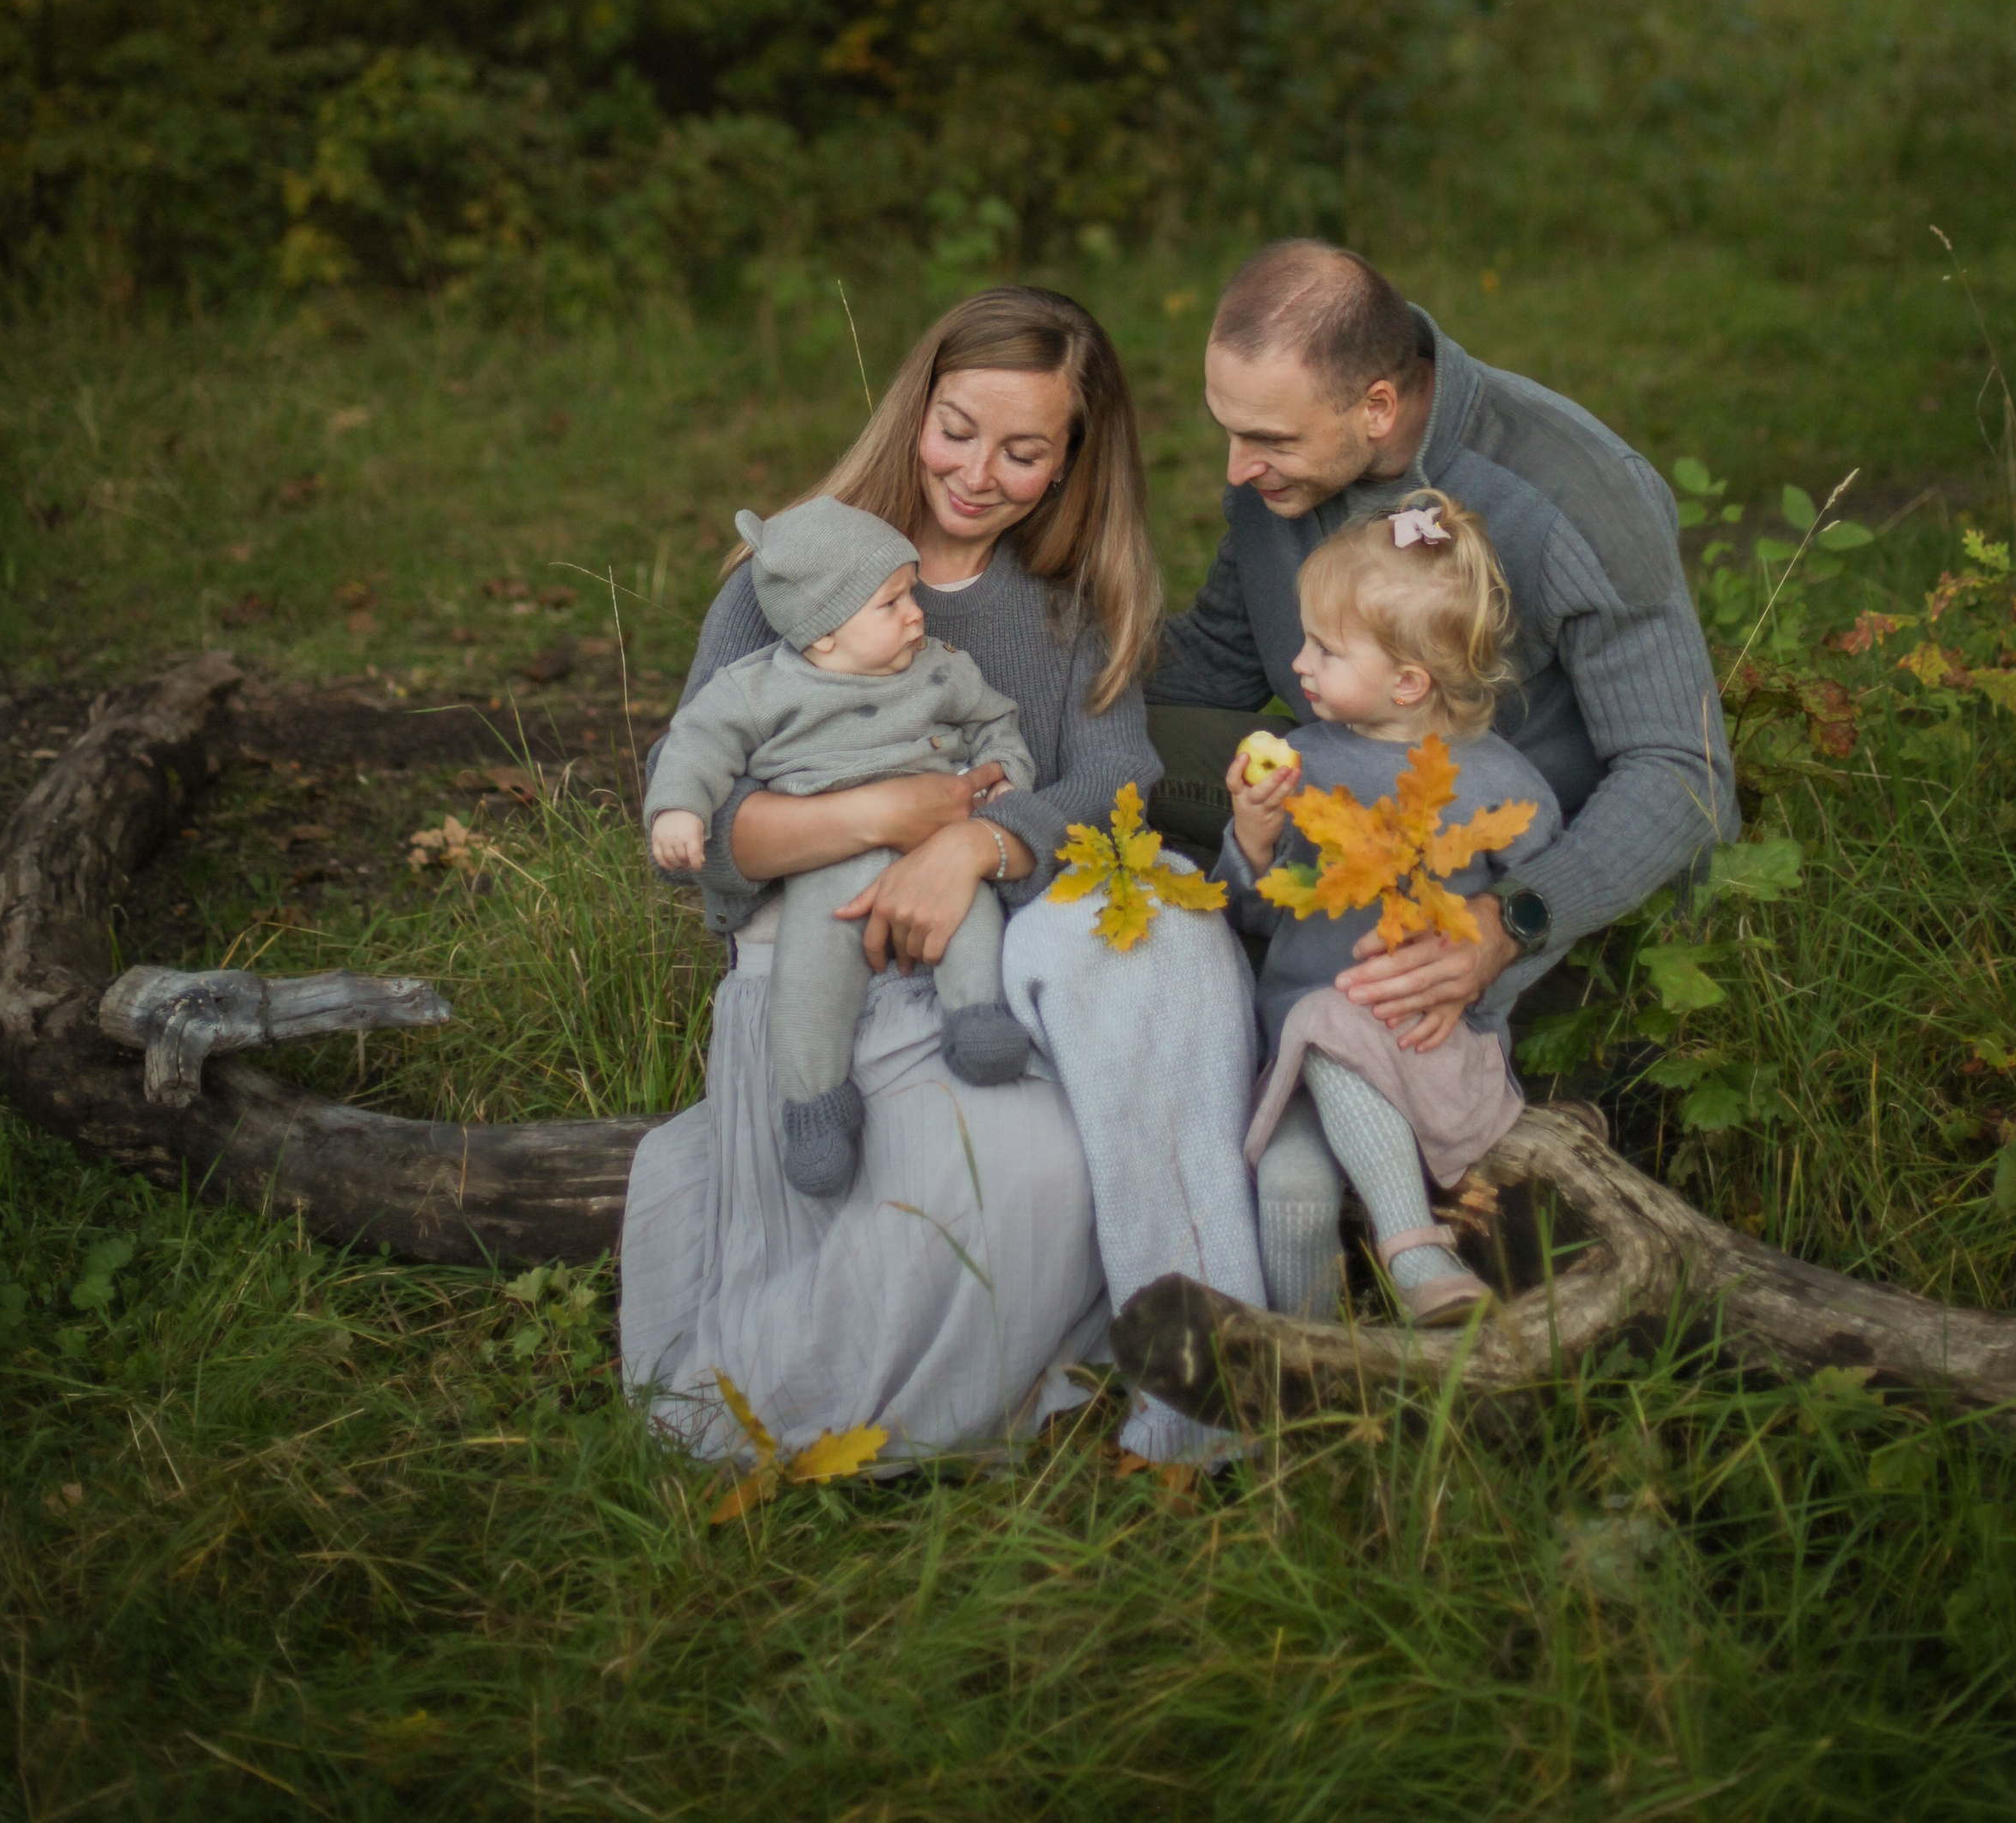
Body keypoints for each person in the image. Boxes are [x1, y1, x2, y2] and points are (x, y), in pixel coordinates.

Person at [618, 286, 1264, 1472]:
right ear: (916, 404)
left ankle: (1153, 1390)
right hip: (821, 965)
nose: (978, 473)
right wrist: (881, 813)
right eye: (957, 429)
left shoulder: (1077, 606)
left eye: (1025, 452)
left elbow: (1113, 784)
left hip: (985, 965)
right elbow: (697, 813)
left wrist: (975, 841)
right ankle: (863, 1407)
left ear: (1076, 457)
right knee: (968, 1187)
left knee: (1054, 1169)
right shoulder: (801, 573)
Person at [1147, 237, 1736, 1319]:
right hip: (1340, 847)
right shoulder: (1278, 483)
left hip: (1527, 897)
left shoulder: (1571, 493)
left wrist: (1514, 917)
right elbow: (1208, 669)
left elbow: (1684, 774)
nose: (1235, 468)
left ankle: (1516, 1136)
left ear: (1377, 406)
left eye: (1265, 438)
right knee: (1111, 750)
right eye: (1226, 429)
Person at [1219, 489, 1563, 1326]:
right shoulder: (1300, 763)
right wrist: (1254, 840)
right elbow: (1258, 917)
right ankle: (1315, 1369)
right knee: (1292, 1189)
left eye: (1326, 650)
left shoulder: (1496, 785)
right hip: (1303, 1043)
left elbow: (1544, 911)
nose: (1298, 665)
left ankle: (1412, 1249)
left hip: (1423, 1044)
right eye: (1305, 640)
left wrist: (1481, 992)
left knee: (1345, 1019)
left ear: (1409, 681)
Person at [646, 500, 1039, 1196]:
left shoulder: (941, 669)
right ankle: (814, 1104)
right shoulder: (759, 687)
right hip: (828, 864)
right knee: (811, 973)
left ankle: (976, 1014)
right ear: (823, 634)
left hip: (937, 843)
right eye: (891, 603)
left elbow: (995, 720)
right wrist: (679, 810)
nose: (917, 614)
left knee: (970, 913)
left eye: (912, 593)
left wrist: (1007, 775)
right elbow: (695, 744)